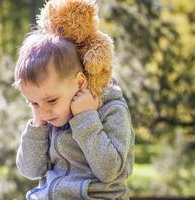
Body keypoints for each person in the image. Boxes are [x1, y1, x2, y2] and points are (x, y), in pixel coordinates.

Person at [13, 31, 135, 200]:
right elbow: (30, 170)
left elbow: (109, 171)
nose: (43, 112)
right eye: (33, 103)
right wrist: (37, 126)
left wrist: (85, 118)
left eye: (52, 100)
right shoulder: (46, 117)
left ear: (80, 82)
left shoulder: (111, 110)